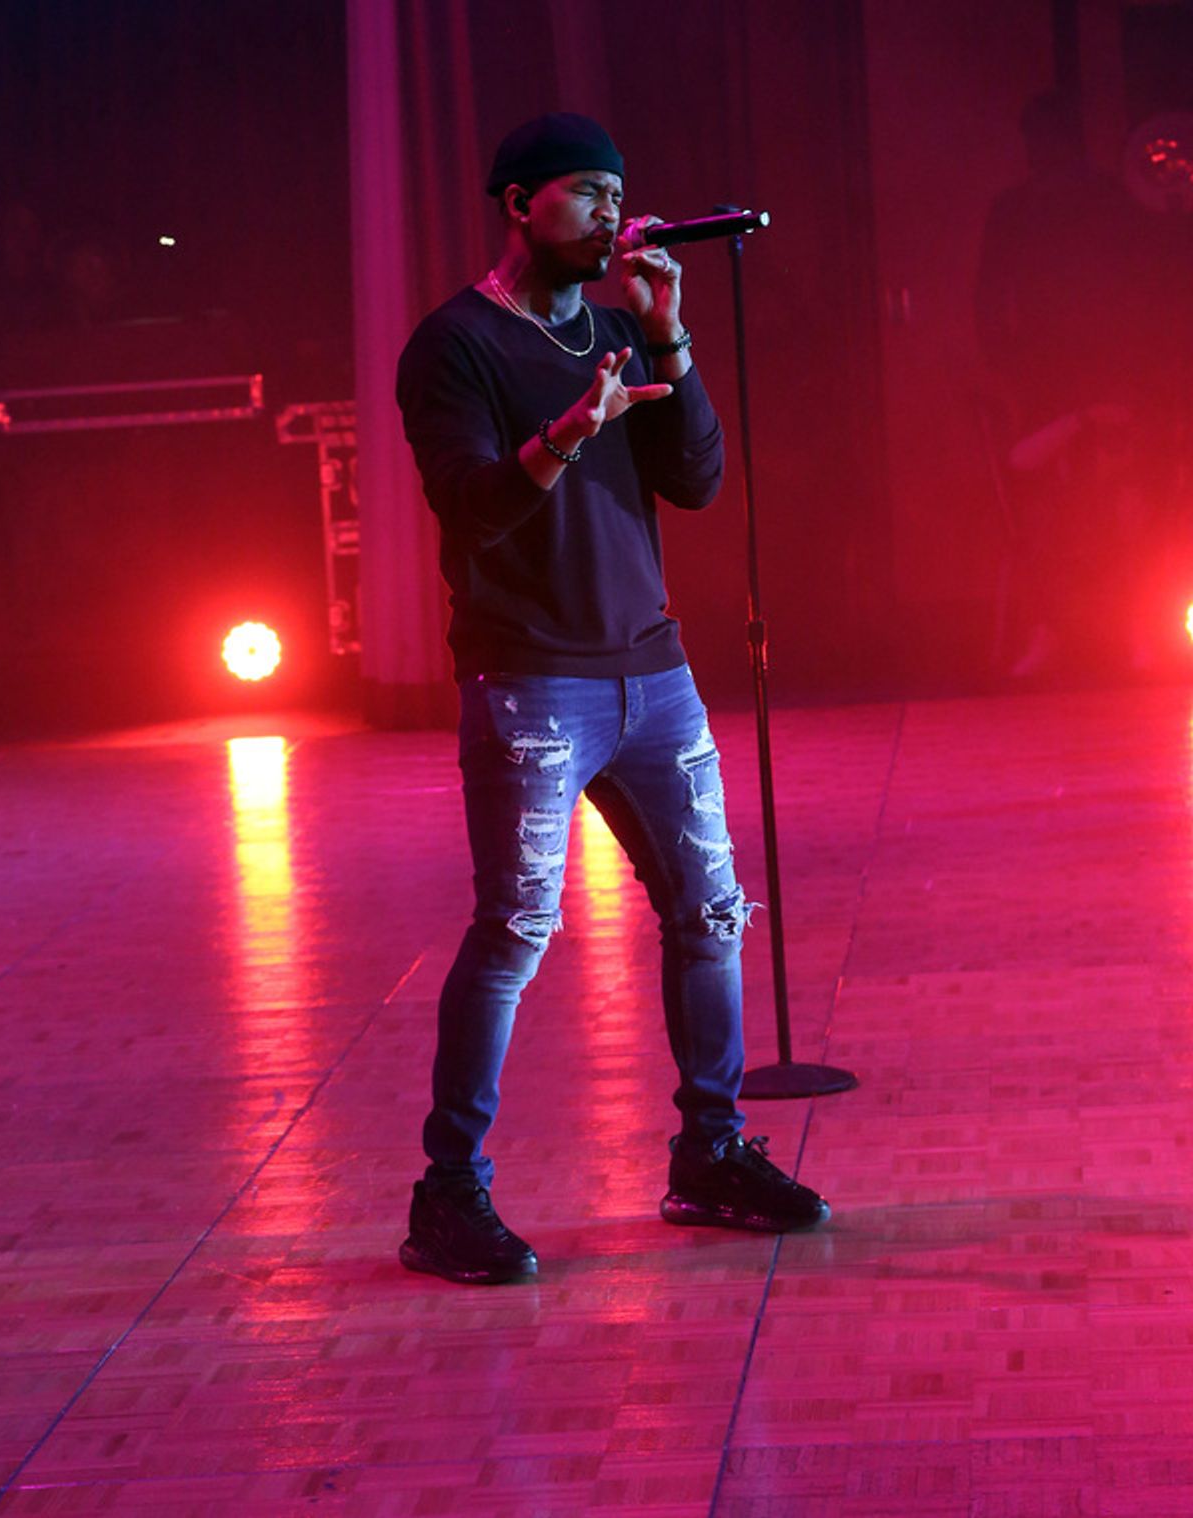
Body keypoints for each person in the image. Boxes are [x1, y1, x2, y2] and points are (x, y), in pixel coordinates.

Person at [395, 113, 830, 1285]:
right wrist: (561, 438)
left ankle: (711, 1152)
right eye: (586, 192)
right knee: (517, 930)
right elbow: (474, 506)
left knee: (711, 912)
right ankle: (448, 1194)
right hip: (532, 679)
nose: (607, 212)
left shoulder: (620, 331)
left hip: (654, 672)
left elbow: (694, 479)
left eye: (617, 192)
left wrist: (671, 340)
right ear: (519, 204)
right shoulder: (455, 345)